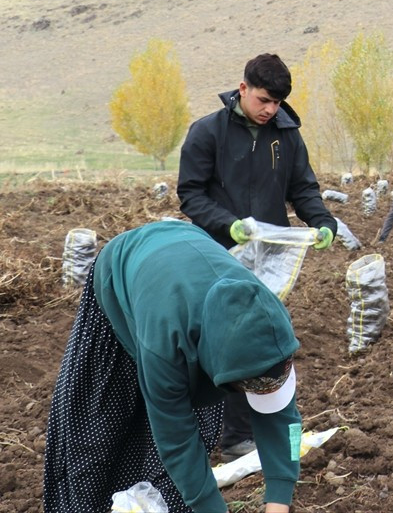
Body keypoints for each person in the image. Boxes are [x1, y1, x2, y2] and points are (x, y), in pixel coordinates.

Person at [43, 219, 301, 513]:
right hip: (125, 269)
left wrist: (279, 499)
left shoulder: (271, 329)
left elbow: (285, 421)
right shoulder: (165, 341)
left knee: (200, 428)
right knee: (103, 427)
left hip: (186, 257)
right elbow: (176, 436)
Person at [177, 52, 335, 461]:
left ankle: (253, 433)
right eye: (264, 100)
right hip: (216, 254)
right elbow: (190, 193)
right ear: (243, 88)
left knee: (263, 342)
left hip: (269, 261)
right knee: (218, 343)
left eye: (277, 103)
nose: (270, 110)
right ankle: (217, 434)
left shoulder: (286, 135)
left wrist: (323, 222)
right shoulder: (208, 132)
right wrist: (227, 224)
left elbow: (303, 189)